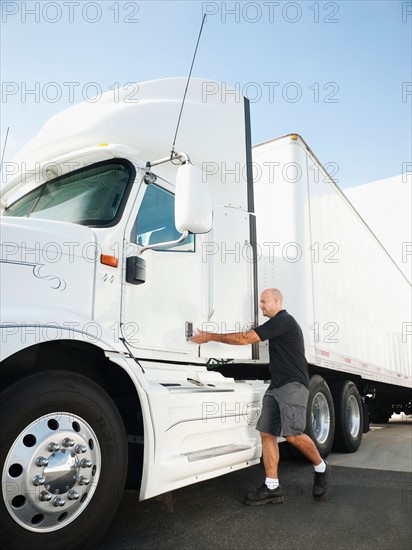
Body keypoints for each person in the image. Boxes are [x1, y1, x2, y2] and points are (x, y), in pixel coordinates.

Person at [191, 288, 331, 505]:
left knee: (293, 435)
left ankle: (321, 467)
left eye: (264, 301)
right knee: (267, 434)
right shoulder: (277, 324)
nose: (261, 305)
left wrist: (210, 336)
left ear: (276, 301)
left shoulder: (284, 321)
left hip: (293, 386)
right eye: (260, 302)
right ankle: (272, 487)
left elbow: (247, 338)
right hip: (276, 387)